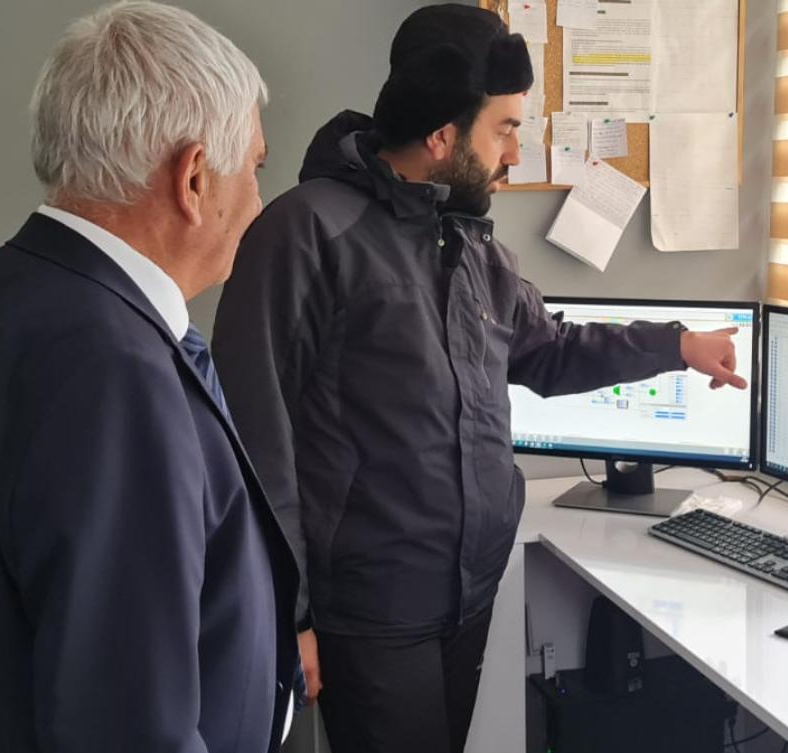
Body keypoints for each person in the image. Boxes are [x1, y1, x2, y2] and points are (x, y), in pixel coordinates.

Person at [211, 5, 747, 752]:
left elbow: (548, 352)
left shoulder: (471, 244)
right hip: (373, 606)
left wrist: (676, 345)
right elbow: (251, 434)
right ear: (442, 135)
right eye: (504, 129)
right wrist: (286, 612)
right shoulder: (307, 232)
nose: (515, 153)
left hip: (469, 589)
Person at [0, 4, 299, 752]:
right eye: (255, 168)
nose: (258, 201)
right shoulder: (116, 371)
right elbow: (127, 726)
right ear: (194, 178)